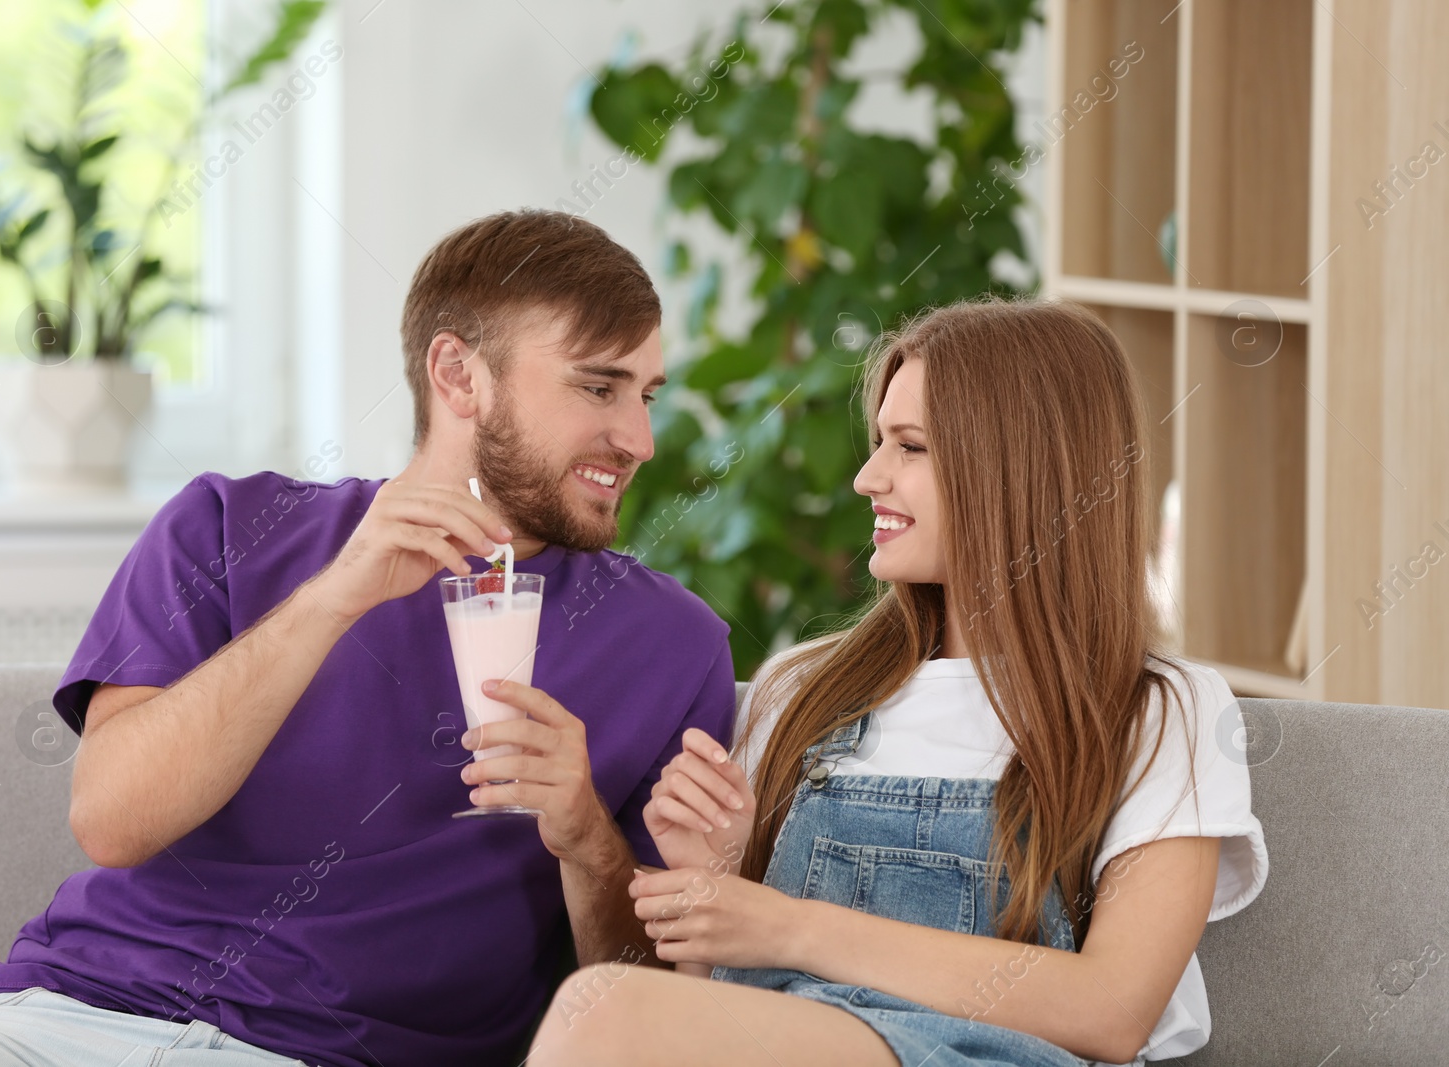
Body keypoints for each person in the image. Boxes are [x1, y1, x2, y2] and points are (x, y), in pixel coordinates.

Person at [0, 210, 736, 1067]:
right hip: (61, 1014)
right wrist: (329, 602)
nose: (640, 439)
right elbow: (111, 820)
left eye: (646, 393)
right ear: (459, 375)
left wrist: (584, 833)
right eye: (598, 386)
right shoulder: (226, 525)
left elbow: (644, 1009)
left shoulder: (675, 646)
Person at [529, 298, 1268, 1067]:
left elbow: (1113, 1009)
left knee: (601, 1010)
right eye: (880, 441)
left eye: (909, 447)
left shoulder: (1156, 709)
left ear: (1021, 470)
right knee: (611, 1012)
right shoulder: (803, 688)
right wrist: (711, 875)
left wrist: (790, 925)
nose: (866, 476)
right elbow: (724, 1011)